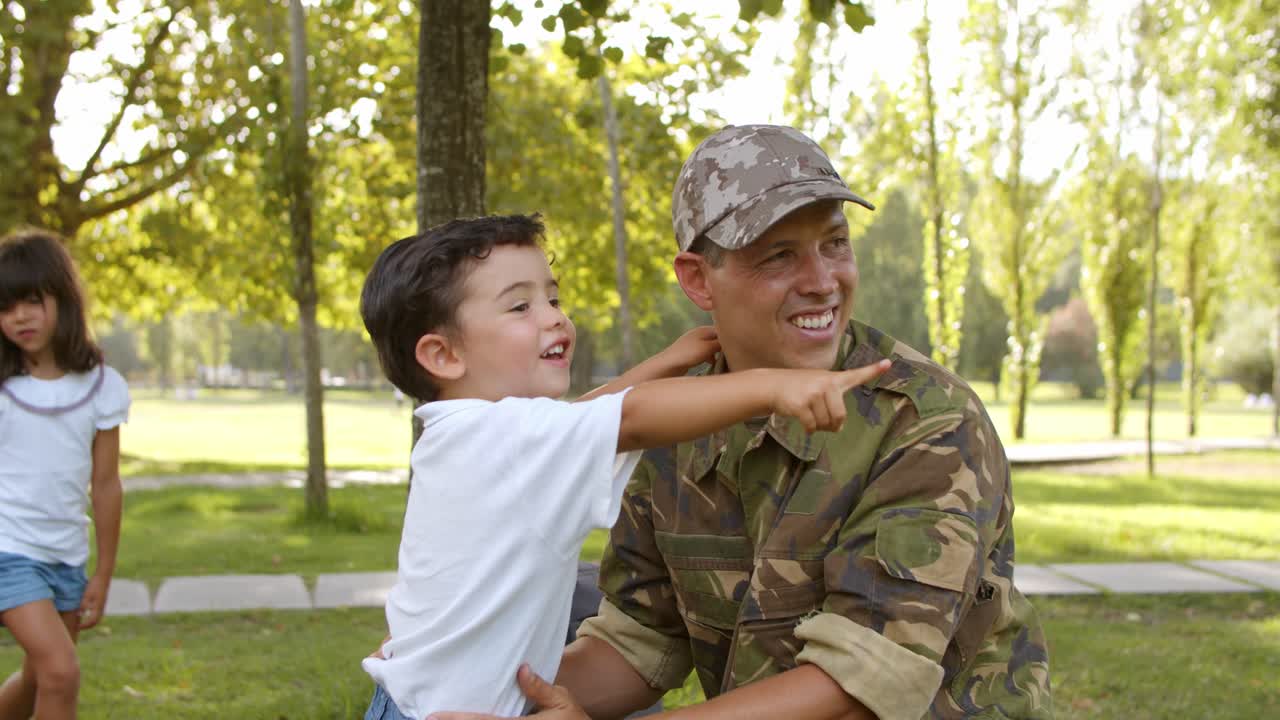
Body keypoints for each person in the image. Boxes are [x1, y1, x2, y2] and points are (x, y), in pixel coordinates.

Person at [431, 125, 1053, 720]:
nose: (822, 281)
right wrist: (464, 689)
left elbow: (857, 685)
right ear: (698, 279)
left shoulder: (924, 418)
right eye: (778, 256)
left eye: (835, 243)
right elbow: (641, 639)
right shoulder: (675, 423)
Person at [356, 214, 890, 720]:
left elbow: (587, 417)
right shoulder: (496, 437)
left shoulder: (471, 434)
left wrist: (663, 363)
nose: (555, 317)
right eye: (520, 307)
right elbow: (628, 419)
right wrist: (778, 387)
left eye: (553, 296)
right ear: (444, 356)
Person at [0, 229, 130, 720]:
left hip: (65, 558)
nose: (19, 317)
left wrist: (103, 571)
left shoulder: (101, 386)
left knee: (38, 680)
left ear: (63, 297)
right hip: (8, 550)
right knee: (61, 672)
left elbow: (105, 485)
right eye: (6, 307)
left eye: (31, 301)